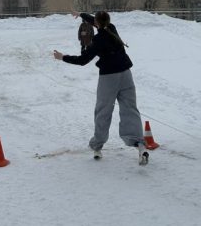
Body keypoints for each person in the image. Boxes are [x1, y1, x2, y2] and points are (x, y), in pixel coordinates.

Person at [53, 11, 149, 165]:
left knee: (103, 111)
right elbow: (96, 21)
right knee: (130, 109)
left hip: (109, 78)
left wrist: (62, 57)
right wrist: (82, 14)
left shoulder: (98, 40)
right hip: (126, 75)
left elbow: (83, 60)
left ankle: (97, 146)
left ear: (97, 23)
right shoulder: (112, 28)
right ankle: (140, 145)